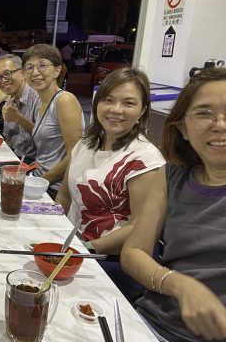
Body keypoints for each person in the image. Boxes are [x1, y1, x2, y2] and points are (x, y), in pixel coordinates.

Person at [121, 68, 226, 342]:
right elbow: (133, 252)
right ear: (183, 128)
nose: (220, 124)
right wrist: (180, 285)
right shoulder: (172, 175)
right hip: (150, 323)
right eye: (204, 113)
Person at [55, 68, 165, 301]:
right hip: (73, 247)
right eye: (108, 100)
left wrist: (87, 248)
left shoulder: (144, 159)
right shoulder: (86, 143)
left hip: (111, 261)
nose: (116, 110)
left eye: (129, 103)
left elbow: (140, 227)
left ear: (143, 110)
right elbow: (64, 196)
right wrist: (51, 231)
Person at [23, 44, 84, 199]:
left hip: (55, 187)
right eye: (29, 67)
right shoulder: (42, 102)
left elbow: (76, 154)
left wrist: (41, 182)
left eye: (42, 65)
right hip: (38, 177)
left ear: (57, 70)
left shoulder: (64, 100)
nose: (35, 72)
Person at [0, 54, 40, 164]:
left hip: (33, 163)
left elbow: (44, 140)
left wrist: (19, 118)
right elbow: (8, 139)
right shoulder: (9, 101)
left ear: (22, 73)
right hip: (14, 157)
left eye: (7, 73)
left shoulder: (38, 99)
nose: (3, 80)